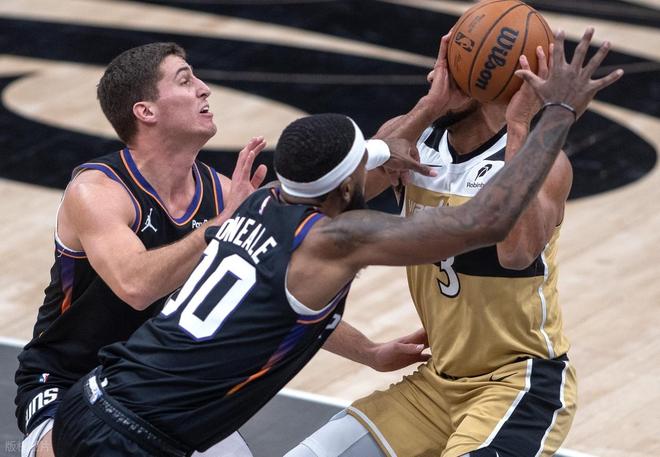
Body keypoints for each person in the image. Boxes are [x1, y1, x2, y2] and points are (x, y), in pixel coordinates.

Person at [50, 27, 621, 457]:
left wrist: (431, 107)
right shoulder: (341, 237)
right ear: (349, 184)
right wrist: (548, 115)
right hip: (143, 433)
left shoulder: (260, 203)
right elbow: (486, 222)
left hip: (515, 379)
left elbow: (516, 252)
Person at [14, 41, 434, 457]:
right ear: (146, 111)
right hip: (65, 383)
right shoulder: (97, 191)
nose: (204, 88)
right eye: (185, 80)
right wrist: (221, 225)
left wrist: (370, 352)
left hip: (159, 392)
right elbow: (135, 284)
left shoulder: (220, 193)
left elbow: (279, 293)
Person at [285, 28, 622, 457]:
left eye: (460, 69)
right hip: (436, 383)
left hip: (518, 383)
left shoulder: (546, 163)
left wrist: (519, 126)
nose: (437, 75)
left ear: (496, 84)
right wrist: (427, 108)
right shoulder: (413, 140)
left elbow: (517, 254)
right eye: (444, 61)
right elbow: (326, 209)